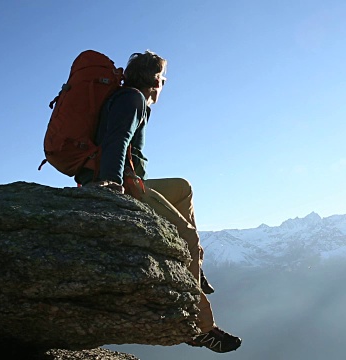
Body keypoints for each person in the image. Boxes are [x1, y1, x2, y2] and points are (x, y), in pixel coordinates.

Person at [75, 50, 242, 354]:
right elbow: (118, 140)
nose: (164, 84)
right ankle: (200, 329)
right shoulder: (132, 99)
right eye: (163, 79)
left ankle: (196, 266)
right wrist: (111, 184)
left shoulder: (126, 98)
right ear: (155, 81)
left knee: (182, 188)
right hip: (124, 184)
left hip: (126, 179)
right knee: (186, 237)